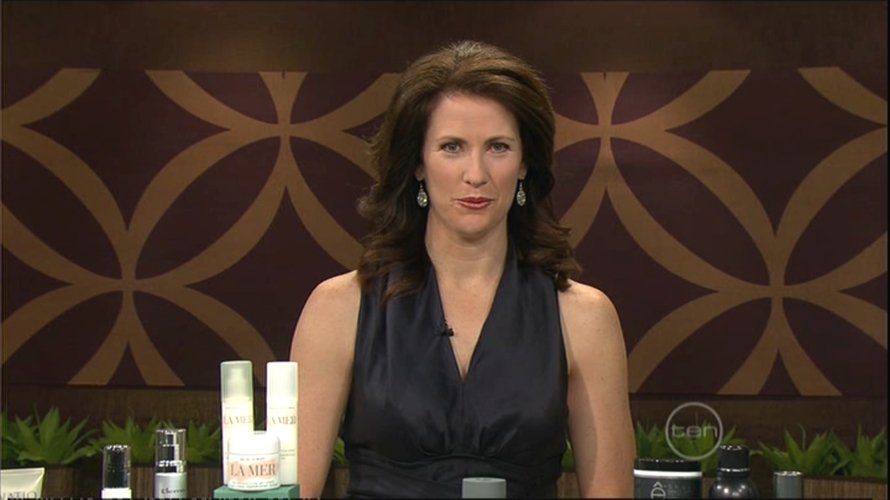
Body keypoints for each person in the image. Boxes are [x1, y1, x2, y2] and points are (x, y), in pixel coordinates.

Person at [289, 40, 634, 498]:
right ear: (417, 163)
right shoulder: (338, 308)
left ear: (524, 164)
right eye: (452, 147)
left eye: (498, 147)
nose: (476, 173)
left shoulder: (585, 317)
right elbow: (293, 490)